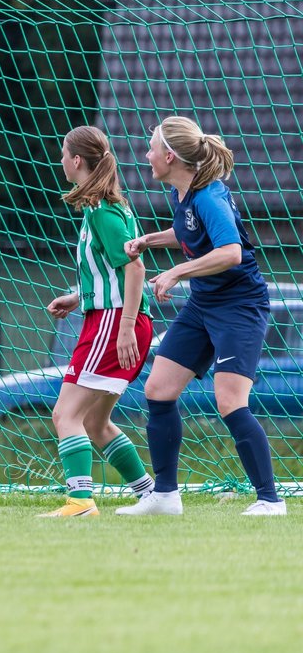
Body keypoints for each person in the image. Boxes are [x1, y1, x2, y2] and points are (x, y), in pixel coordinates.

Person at [117, 116, 284, 516]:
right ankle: (165, 497)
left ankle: (269, 500)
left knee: (229, 401)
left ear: (170, 156)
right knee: (158, 390)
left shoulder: (208, 194)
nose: (147, 154)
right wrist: (149, 240)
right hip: (204, 305)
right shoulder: (182, 193)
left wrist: (175, 272)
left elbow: (231, 253)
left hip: (239, 307)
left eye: (152, 147)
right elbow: (189, 232)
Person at [39, 126, 155, 517]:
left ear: (77, 161)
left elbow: (135, 270)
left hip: (113, 323)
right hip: (106, 316)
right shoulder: (98, 208)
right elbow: (111, 270)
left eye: (62, 153)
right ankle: (150, 495)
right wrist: (77, 297)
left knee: (65, 414)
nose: (59, 160)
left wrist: (124, 328)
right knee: (94, 421)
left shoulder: (104, 211)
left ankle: (81, 501)